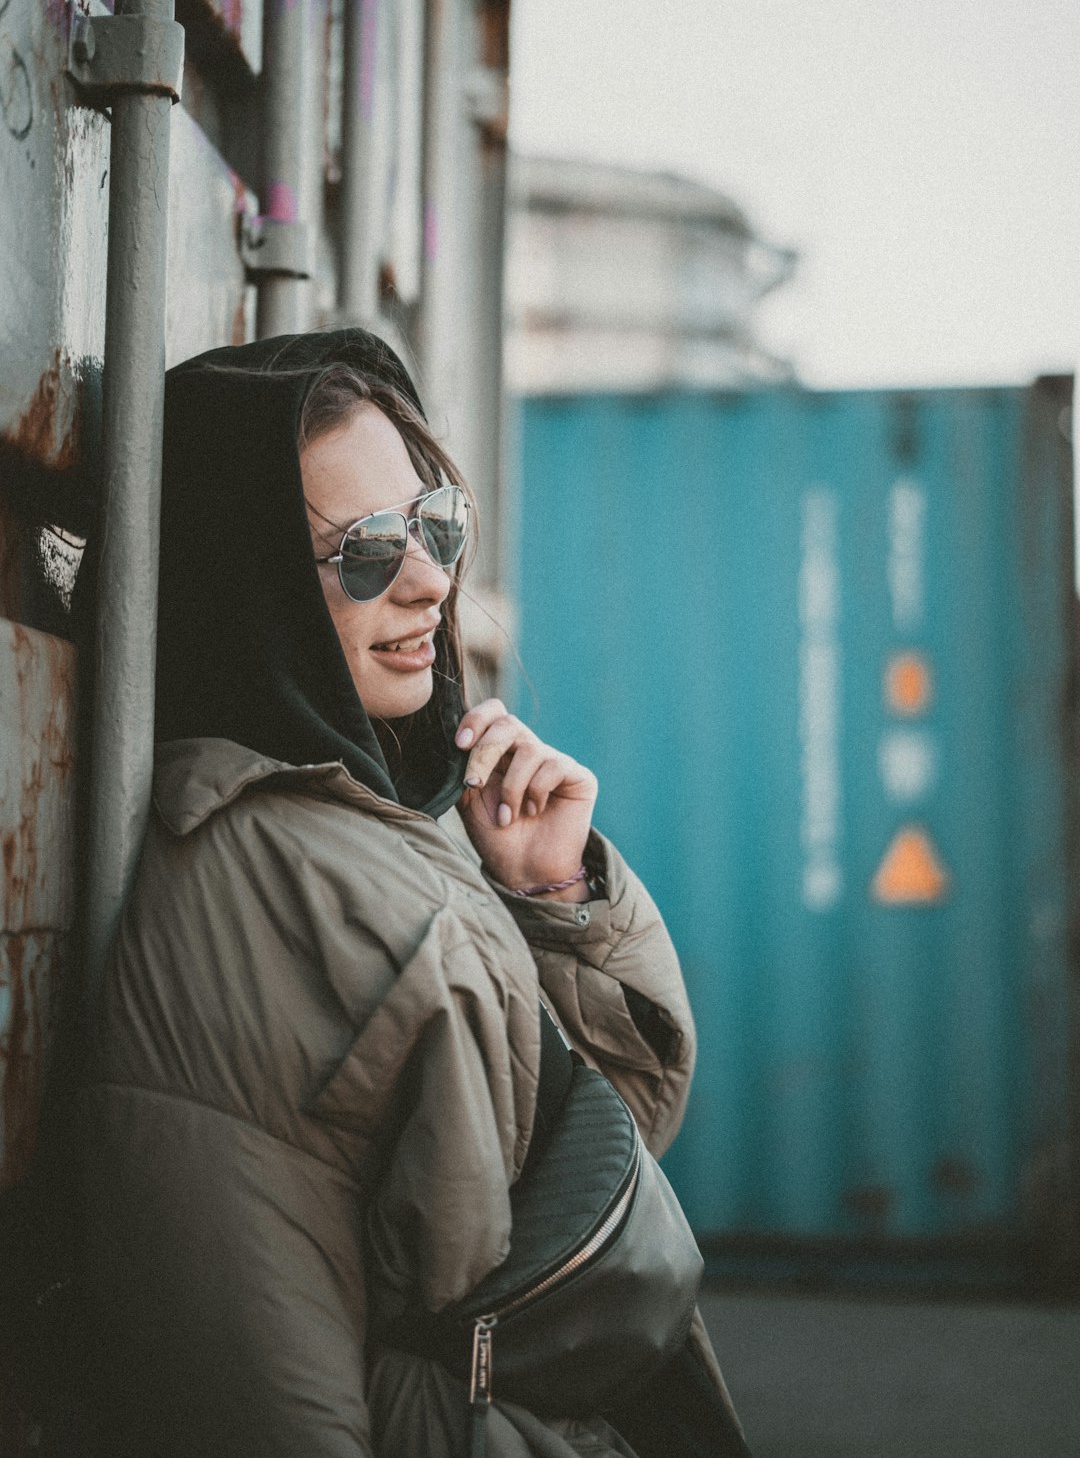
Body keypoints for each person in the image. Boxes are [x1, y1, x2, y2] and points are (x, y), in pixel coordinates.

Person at [79, 328, 750, 1457]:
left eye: (433, 523)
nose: (434, 579)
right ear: (245, 589)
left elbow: (587, 1177)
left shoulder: (375, 820)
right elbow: (257, 1396)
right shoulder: (248, 894)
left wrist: (554, 895)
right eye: (366, 550)